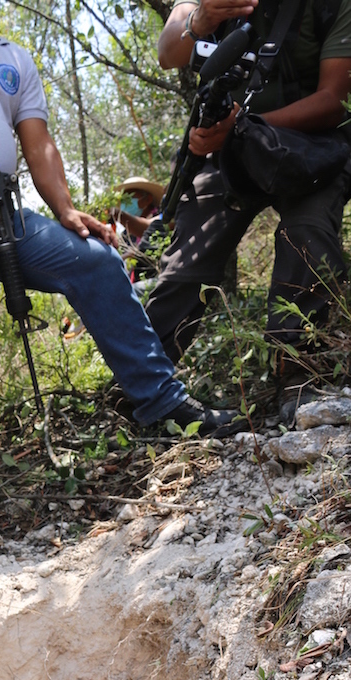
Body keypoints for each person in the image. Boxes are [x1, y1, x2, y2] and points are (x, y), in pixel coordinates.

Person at [0, 0, 243, 530]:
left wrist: (63, 208)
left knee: (97, 261)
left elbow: (40, 144)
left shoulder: (12, 56)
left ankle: (162, 404)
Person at [145, 0, 351, 408]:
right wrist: (200, 20)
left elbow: (333, 101)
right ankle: (142, 384)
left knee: (305, 234)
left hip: (313, 150)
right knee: (187, 263)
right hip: (230, 152)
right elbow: (168, 52)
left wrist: (245, 125)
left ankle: (298, 376)